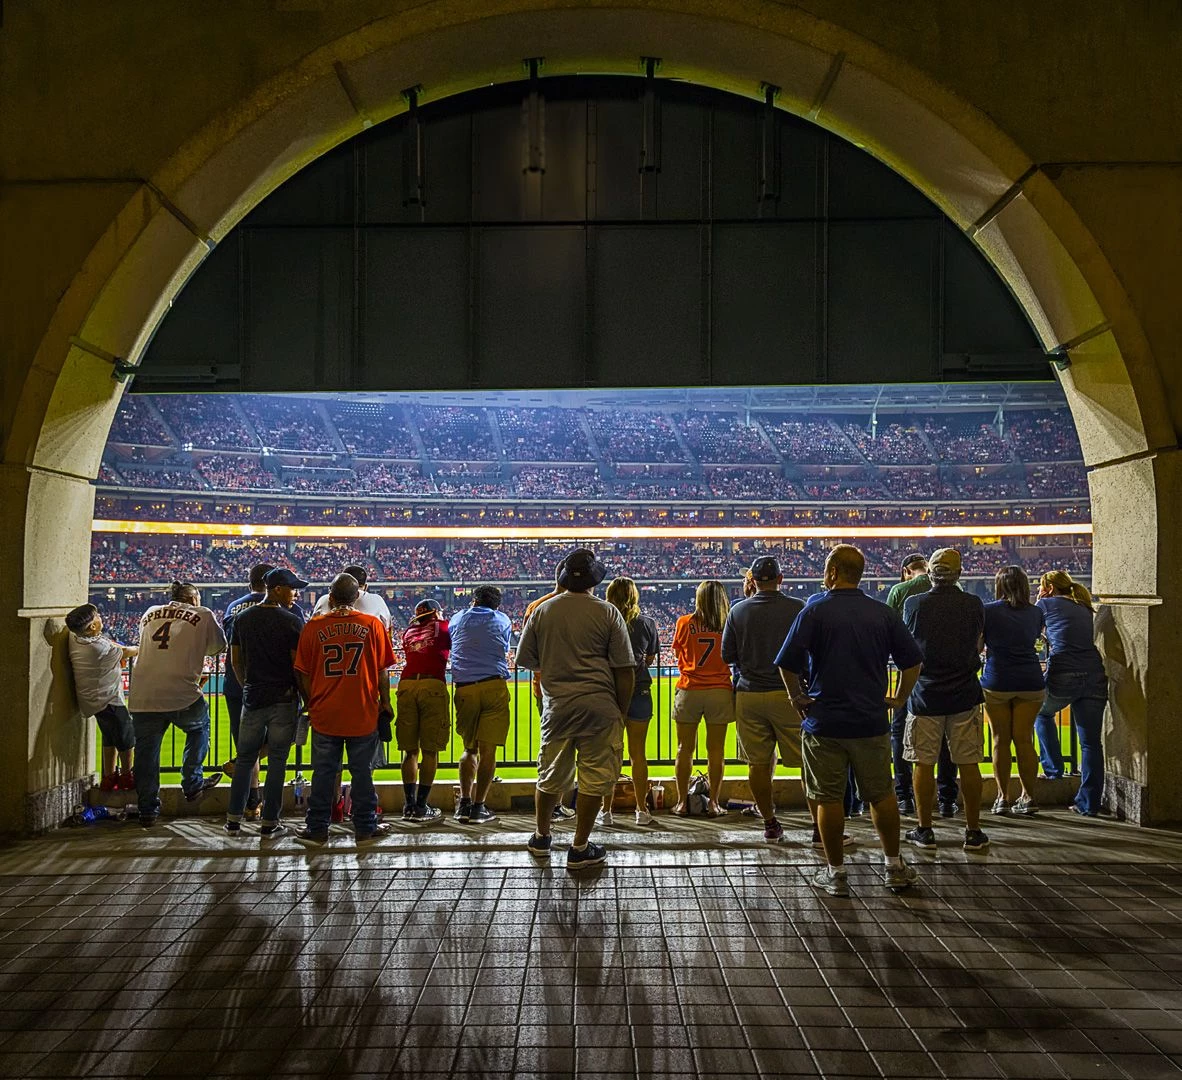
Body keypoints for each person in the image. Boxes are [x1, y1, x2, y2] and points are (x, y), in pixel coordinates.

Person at [776, 544, 922, 897]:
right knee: (881, 795)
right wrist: (899, 698)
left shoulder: (814, 611)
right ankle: (893, 866)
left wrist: (797, 697)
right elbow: (913, 661)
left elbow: (787, 663)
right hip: (870, 719)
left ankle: (836, 872)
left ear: (832, 572)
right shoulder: (881, 613)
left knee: (828, 798)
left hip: (824, 721)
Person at [516, 549, 635, 870]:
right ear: (595, 579)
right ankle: (580, 847)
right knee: (594, 778)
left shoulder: (542, 611)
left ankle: (541, 838)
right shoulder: (608, 612)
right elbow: (624, 669)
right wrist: (621, 712)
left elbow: (526, 659)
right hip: (600, 706)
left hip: (557, 707)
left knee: (550, 774)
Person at [293, 573, 395, 843]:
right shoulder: (372, 625)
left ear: (330, 597)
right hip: (363, 711)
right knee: (362, 774)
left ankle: (317, 828)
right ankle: (365, 827)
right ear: (357, 596)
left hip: (325, 712)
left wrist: (310, 701)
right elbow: (382, 671)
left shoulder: (313, 626)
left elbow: (302, 672)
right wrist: (385, 702)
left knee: (324, 774)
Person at [901, 549, 990, 852]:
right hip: (964, 692)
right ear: (959, 573)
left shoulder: (914, 603)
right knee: (969, 763)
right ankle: (973, 831)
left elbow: (909, 644)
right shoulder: (974, 603)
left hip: (925, 694)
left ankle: (925, 829)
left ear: (930, 573)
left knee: (923, 763)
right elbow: (978, 641)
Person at [128, 581, 226, 827]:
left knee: (146, 754)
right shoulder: (203, 613)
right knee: (199, 728)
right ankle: (192, 783)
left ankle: (147, 810)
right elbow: (218, 648)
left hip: (143, 695)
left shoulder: (150, 612)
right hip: (181, 693)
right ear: (193, 599)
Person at [721, 557, 804, 842]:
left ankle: (770, 824)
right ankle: (821, 828)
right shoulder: (798, 607)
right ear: (781, 579)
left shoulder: (738, 610)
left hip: (749, 695)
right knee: (808, 762)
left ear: (753, 581)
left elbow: (727, 655)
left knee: (757, 763)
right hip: (789, 694)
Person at [224, 568, 307, 839]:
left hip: (253, 697)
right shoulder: (291, 620)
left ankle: (233, 821)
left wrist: (247, 685)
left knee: (245, 759)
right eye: (292, 588)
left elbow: (236, 660)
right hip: (283, 698)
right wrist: (306, 697)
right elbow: (297, 666)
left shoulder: (242, 618)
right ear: (277, 589)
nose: (295, 594)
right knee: (278, 761)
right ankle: (270, 821)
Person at [885, 553, 960, 817]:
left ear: (906, 571)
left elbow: (889, 631)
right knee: (946, 737)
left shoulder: (900, 591)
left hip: (910, 672)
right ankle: (947, 799)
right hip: (950, 675)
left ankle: (904, 796)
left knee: (899, 732)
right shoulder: (957, 590)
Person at [1033, 570, 1108, 817]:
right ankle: (1089, 804)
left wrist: (1038, 603)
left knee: (1040, 713)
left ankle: (1053, 769)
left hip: (1064, 671)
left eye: (1041, 586)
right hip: (1094, 674)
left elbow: (1032, 633)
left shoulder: (1045, 604)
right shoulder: (1083, 606)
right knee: (1091, 743)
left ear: (1049, 588)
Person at [982, 566, 1045, 815]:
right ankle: (1029, 798)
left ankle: (1002, 798)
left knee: (1000, 740)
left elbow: (978, 645)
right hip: (1030, 679)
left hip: (997, 679)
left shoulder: (988, 611)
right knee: (1024, 740)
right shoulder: (1036, 612)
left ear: (999, 585)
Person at [449, 584, 512, 825]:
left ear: (474, 601)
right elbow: (503, 646)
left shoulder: (458, 618)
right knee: (489, 752)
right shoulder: (502, 619)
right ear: (496, 605)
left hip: (464, 687)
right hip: (493, 685)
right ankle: (478, 807)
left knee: (469, 749)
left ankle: (464, 804)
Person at [671, 580, 734, 816]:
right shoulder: (728, 623)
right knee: (716, 750)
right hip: (720, 690)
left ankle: (681, 803)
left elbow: (678, 652)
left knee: (684, 749)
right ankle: (713, 803)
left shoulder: (684, 622)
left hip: (690, 689)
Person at [601, 576, 659, 826]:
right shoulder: (647, 623)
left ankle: (605, 811)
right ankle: (641, 810)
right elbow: (650, 658)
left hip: (610, 692)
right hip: (639, 690)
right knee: (638, 754)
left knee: (608, 753)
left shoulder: (603, 621)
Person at [221, 562, 276, 817]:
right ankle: (260, 806)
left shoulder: (233, 607)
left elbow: (229, 644)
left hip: (236, 683)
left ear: (249, 582)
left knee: (246, 744)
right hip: (270, 683)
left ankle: (251, 803)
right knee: (280, 739)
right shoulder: (280, 606)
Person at [522, 563, 577, 822]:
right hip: (579, 688)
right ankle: (562, 804)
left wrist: (545, 670)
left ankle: (549, 810)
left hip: (545, 688)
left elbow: (526, 655)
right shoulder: (587, 605)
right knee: (579, 747)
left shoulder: (536, 606)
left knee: (552, 746)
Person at [66, 604, 138, 791]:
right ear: (92, 626)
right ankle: (127, 776)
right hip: (109, 699)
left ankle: (109, 776)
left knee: (109, 736)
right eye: (97, 616)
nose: (100, 617)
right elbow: (127, 651)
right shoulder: (100, 649)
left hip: (92, 701)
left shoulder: (75, 638)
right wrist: (141, 647)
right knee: (126, 737)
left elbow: (109, 644)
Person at [396, 598, 450, 823]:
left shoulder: (408, 631)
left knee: (410, 751)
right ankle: (421, 806)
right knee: (430, 750)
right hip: (432, 684)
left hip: (406, 685)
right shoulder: (444, 627)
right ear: (435, 612)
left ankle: (408, 805)